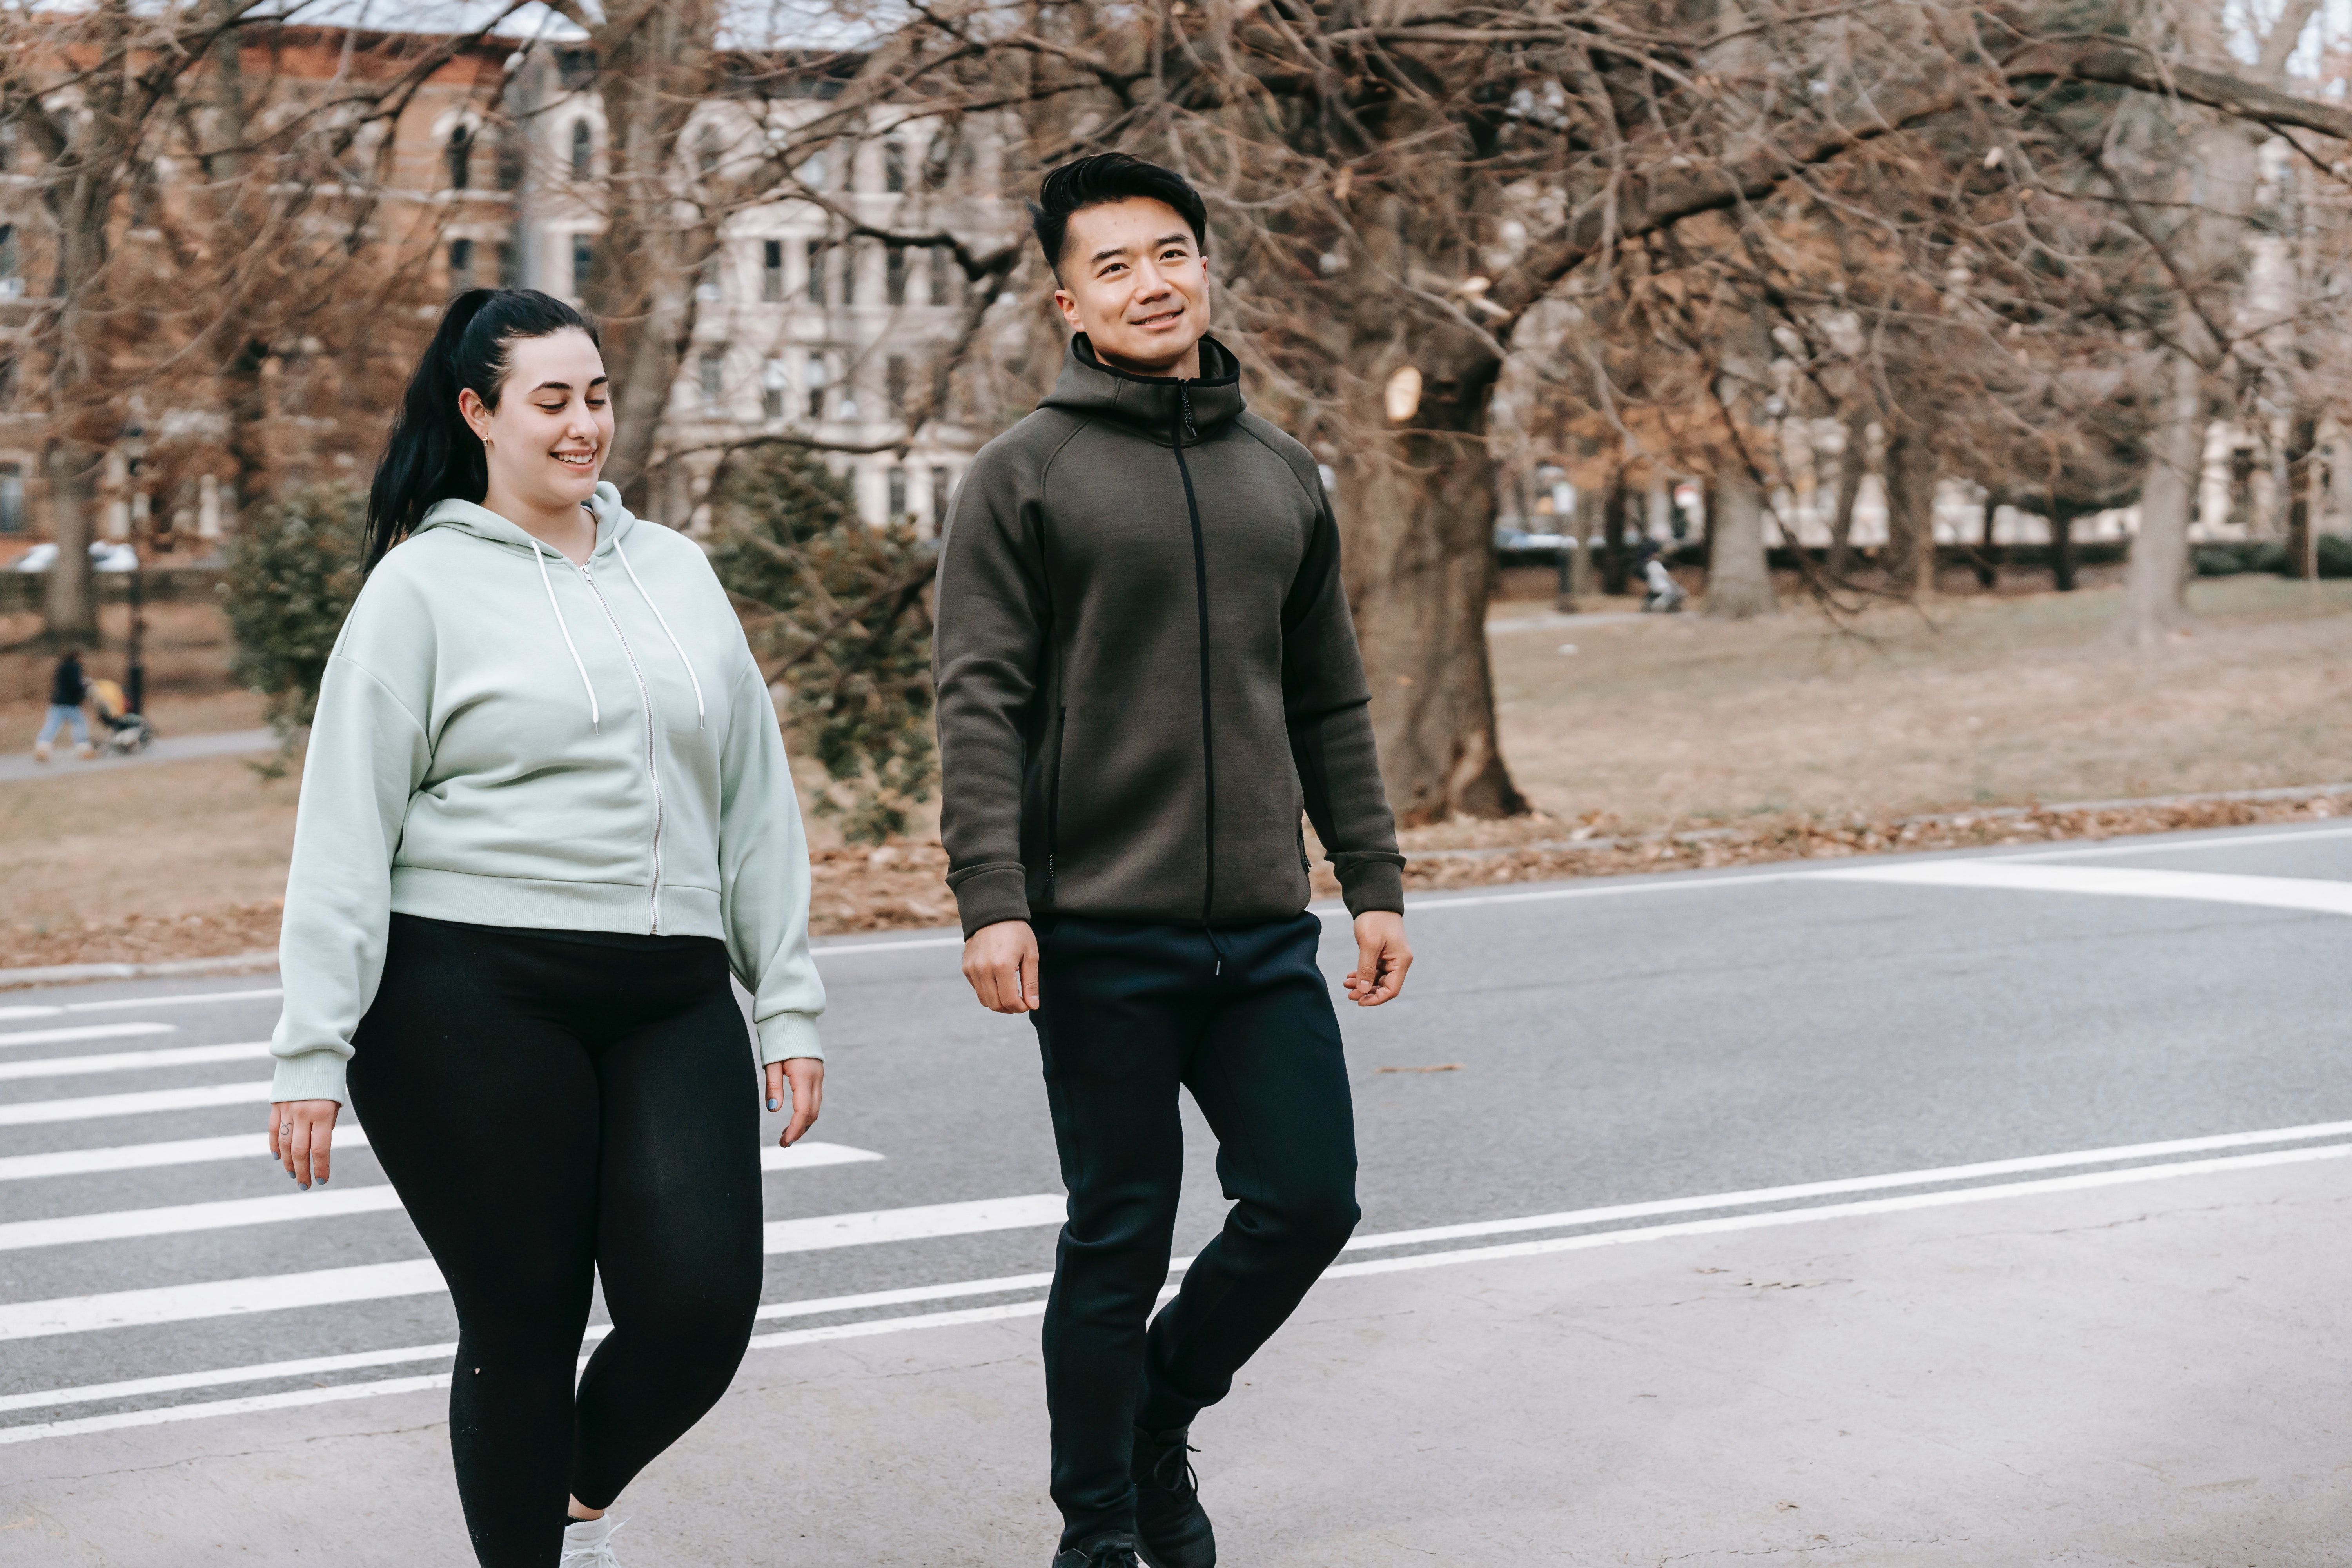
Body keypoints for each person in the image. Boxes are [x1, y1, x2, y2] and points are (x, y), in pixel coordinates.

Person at [265, 288, 825, 1568]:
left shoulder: (675, 572)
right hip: (467, 992)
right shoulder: (419, 592)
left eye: (599, 397)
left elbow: (755, 804)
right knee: (524, 1323)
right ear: (479, 415)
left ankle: (569, 1497)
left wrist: (785, 1001)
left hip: (672, 991)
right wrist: (313, 1045)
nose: (585, 427)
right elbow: (346, 828)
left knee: (698, 1309)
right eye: (552, 401)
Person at [933, 154, 1413, 1568]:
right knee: (1120, 1230)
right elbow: (979, 698)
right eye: (1115, 265)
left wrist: (1370, 879)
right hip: (1099, 931)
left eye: (1171, 253)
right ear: (1066, 296)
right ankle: (1096, 1528)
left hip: (1261, 929)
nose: (1151, 283)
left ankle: (1147, 1415)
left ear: (1207, 264)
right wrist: (993, 899)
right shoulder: (1022, 475)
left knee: (1308, 1199)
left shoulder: (1283, 473)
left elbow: (1325, 694)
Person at [34, 646, 94, 761]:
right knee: (80, 723)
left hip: (58, 702)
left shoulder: (61, 667)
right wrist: (85, 686)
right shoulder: (75, 667)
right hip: (71, 703)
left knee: (52, 725)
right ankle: (83, 748)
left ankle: (42, 747)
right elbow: (75, 685)